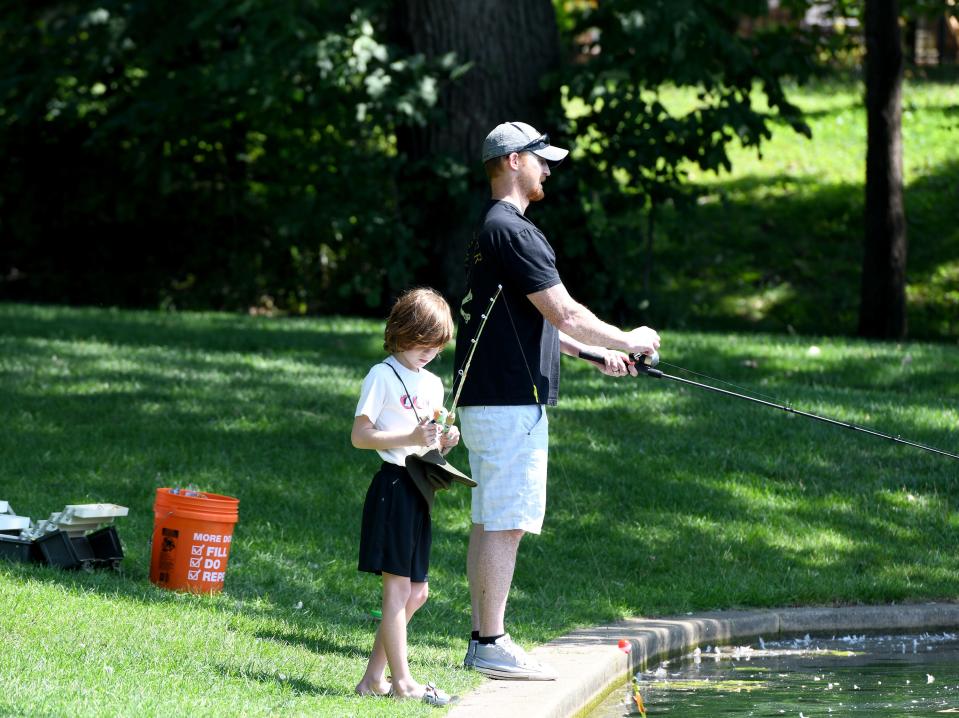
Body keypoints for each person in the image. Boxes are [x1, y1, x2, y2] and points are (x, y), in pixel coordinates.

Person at [453, 121, 661, 681]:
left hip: (494, 398)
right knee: (506, 521)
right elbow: (565, 311)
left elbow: (540, 324)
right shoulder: (514, 231)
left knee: (493, 518)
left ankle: (484, 639)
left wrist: (594, 356)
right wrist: (628, 338)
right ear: (515, 160)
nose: (549, 169)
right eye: (542, 160)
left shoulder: (492, 229)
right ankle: (490, 640)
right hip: (507, 402)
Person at [351, 287, 461, 706]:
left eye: (436, 346)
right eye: (422, 342)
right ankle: (403, 683)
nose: (429, 352)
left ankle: (372, 680)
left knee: (418, 593)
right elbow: (360, 435)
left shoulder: (432, 382)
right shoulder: (381, 375)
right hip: (394, 486)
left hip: (421, 487)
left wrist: (446, 439)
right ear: (400, 332)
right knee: (397, 591)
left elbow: (430, 442)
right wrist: (411, 436)